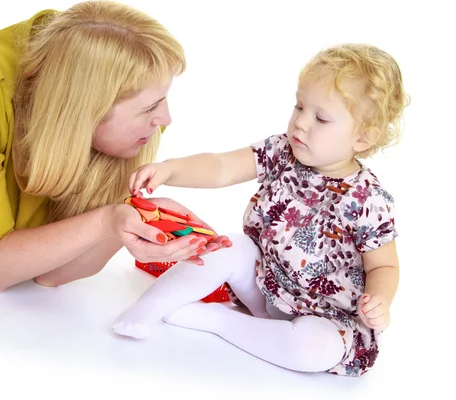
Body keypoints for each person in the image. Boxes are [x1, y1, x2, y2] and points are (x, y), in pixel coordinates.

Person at [0, 0, 231, 294]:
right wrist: (104, 220)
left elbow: (51, 276)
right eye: (150, 107)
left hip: (4, 98)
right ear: (84, 110)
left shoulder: (135, 123)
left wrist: (125, 222)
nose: (165, 120)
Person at [112, 43, 410, 377]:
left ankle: (219, 322)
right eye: (299, 106)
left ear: (363, 138)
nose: (300, 123)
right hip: (264, 283)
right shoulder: (282, 152)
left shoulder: (368, 200)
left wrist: (380, 300)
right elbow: (223, 167)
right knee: (231, 245)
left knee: (315, 351)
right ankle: (147, 309)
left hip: (327, 317)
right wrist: (171, 170)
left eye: (321, 118)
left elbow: (383, 263)